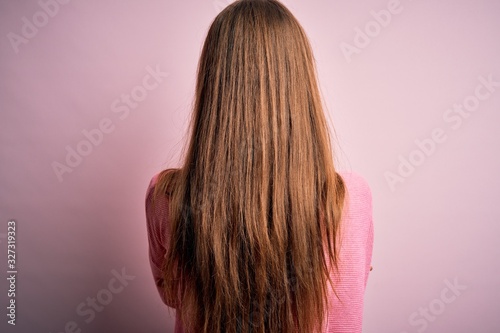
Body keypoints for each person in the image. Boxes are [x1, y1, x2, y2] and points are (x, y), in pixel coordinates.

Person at [145, 0, 374, 332]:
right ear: (300, 84)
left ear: (213, 85)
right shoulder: (348, 198)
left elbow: (172, 294)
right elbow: (346, 310)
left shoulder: (166, 196)